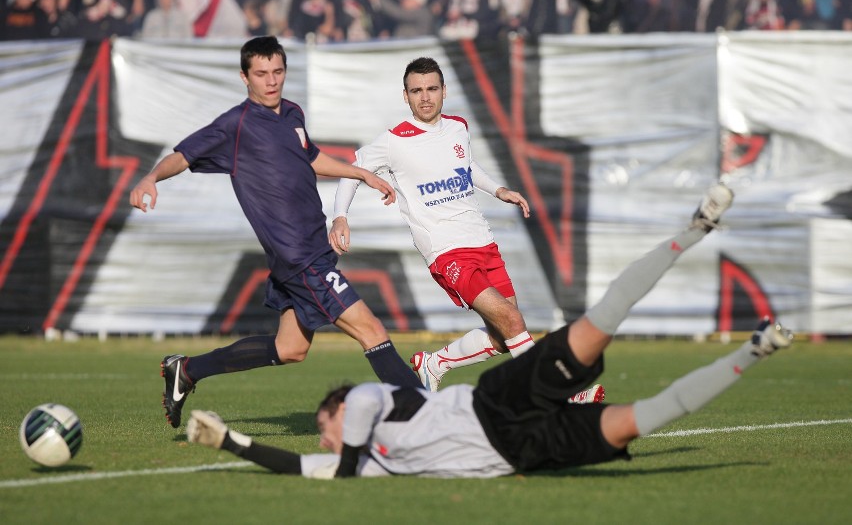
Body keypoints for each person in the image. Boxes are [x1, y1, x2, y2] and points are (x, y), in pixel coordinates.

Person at [187, 183, 796, 478]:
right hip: (523, 453)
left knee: (601, 319)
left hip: (498, 400)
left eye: (323, 427)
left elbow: (327, 463)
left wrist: (245, 444)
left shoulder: (366, 405)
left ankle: (693, 229)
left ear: (341, 407)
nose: (322, 440)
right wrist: (230, 443)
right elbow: (300, 469)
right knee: (649, 415)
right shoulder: (361, 461)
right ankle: (758, 349)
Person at [128, 36, 423, 428]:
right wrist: (151, 178)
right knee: (371, 329)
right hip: (300, 258)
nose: (272, 81)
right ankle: (427, 416)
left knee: (290, 349)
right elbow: (183, 155)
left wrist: (361, 172)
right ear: (244, 77)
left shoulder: (293, 114)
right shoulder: (236, 125)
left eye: (278, 72)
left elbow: (311, 157)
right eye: (262, 74)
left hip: (307, 252)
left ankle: (188, 370)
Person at [329, 57, 559, 395]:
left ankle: (434, 365)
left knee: (502, 335)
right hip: (446, 250)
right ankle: (556, 398)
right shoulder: (394, 140)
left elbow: (465, 163)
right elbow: (353, 171)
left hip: (483, 242)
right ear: (405, 96)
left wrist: (499, 190)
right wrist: (339, 216)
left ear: (444, 91)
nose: (425, 97)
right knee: (513, 322)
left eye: (432, 89)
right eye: (416, 90)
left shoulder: (458, 127)